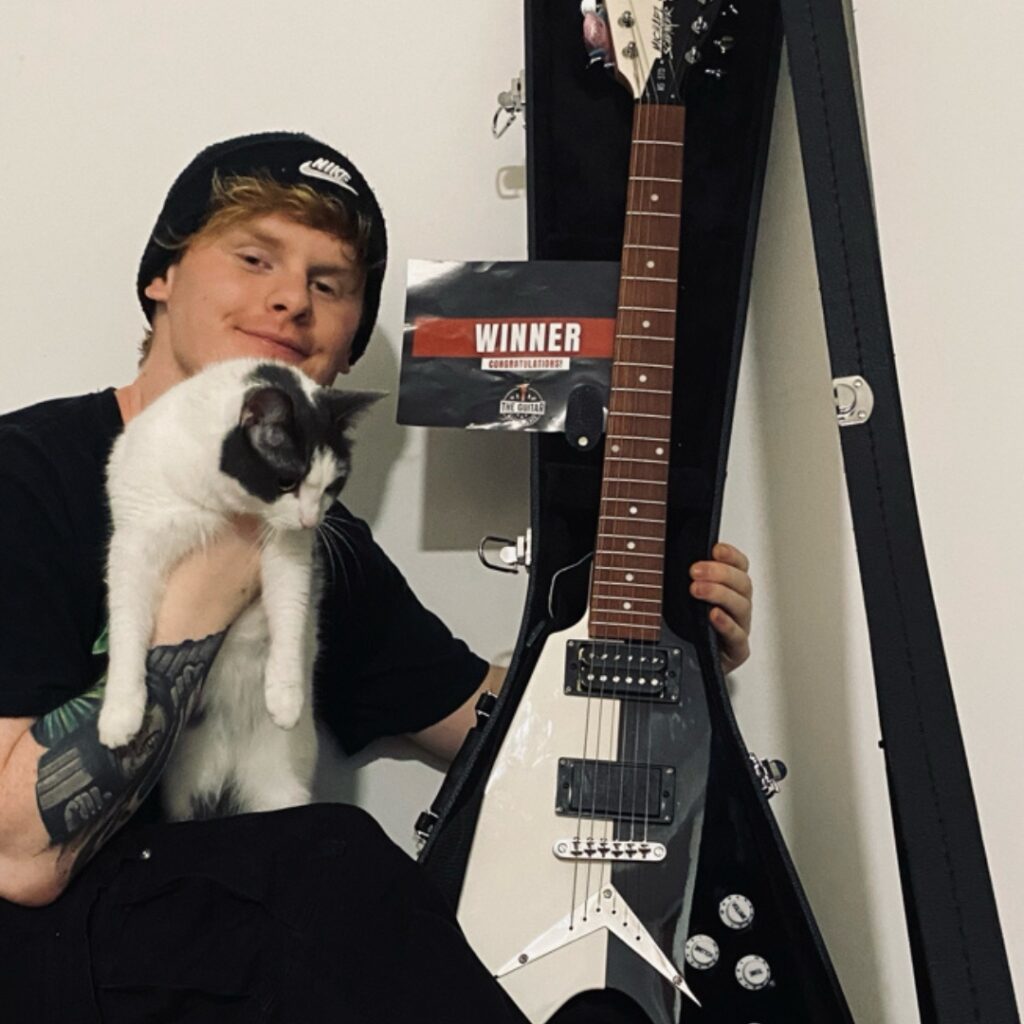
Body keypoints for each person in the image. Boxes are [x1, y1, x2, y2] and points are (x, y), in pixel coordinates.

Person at [0, 132, 753, 1021]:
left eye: (330, 285)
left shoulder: (324, 540)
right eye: (254, 258)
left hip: (219, 966)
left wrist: (664, 667)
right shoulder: (28, 475)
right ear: (161, 276)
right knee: (327, 861)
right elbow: (19, 856)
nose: (292, 299)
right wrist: (222, 570)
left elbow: (502, 734)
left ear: (346, 350)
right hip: (45, 953)